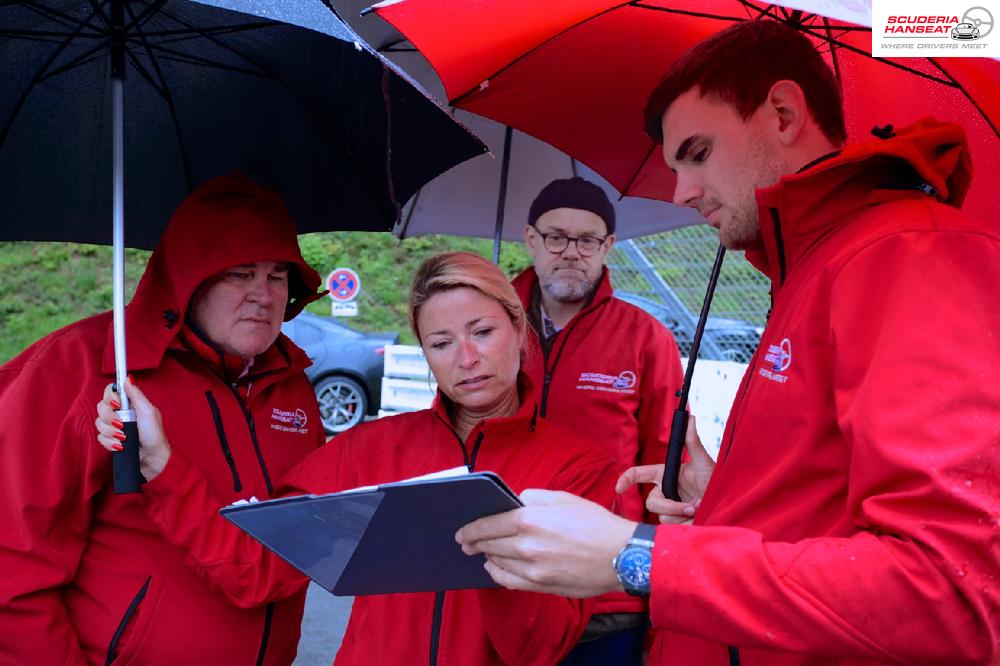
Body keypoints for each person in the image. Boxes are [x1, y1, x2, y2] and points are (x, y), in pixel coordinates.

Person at [455, 19, 1000, 665]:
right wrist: (730, 496)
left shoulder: (909, 257)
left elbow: (949, 592)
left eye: (697, 152)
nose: (681, 192)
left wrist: (638, 558)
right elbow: (825, 510)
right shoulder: (809, 269)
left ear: (782, 112)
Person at [95, 251, 617, 665]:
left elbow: (539, 650)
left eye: (482, 332)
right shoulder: (371, 449)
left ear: (518, 332)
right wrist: (162, 467)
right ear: (426, 354)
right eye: (440, 342)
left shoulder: (579, 469)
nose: (466, 358)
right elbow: (257, 569)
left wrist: (492, 549)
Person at [0, 174, 326, 664]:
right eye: (239, 272)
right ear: (189, 277)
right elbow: (12, 571)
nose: (263, 294)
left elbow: (296, 551)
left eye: (277, 275)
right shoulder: (81, 368)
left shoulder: (291, 384)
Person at [512, 176, 685, 662]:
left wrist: (659, 588)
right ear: (531, 239)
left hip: (607, 599)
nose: (571, 251)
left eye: (587, 239)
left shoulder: (645, 339)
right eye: (556, 236)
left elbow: (667, 476)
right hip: (504, 584)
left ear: (607, 246)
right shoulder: (488, 329)